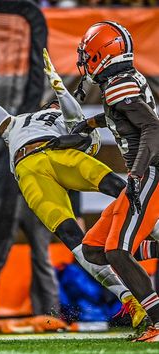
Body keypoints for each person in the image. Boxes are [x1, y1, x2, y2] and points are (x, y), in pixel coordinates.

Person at [0, 50, 149, 333]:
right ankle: (130, 300)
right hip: (31, 170)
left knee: (122, 188)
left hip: (59, 153)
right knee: (74, 239)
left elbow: (73, 112)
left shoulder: (63, 121)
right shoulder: (14, 122)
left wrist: (58, 83)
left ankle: (153, 233)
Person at [69, 21, 159, 342]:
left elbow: (152, 128)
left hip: (150, 172)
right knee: (94, 249)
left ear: (100, 53)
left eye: (88, 53)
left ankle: (157, 321)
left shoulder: (118, 83)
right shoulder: (122, 79)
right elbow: (121, 115)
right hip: (144, 171)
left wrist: (135, 174)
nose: (84, 60)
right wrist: (87, 122)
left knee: (118, 251)